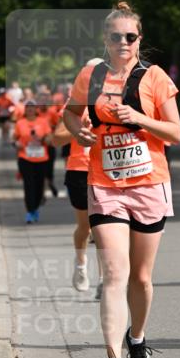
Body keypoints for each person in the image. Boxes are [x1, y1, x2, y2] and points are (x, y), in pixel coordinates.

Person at [63, 1, 180, 358]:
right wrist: (78, 132)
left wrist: (140, 119)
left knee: (142, 278)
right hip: (106, 185)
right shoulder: (91, 75)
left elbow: (175, 133)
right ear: (106, 40)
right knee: (115, 274)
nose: (123, 43)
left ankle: (137, 338)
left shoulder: (155, 77)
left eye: (130, 37)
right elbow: (70, 113)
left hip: (149, 185)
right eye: (116, 37)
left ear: (139, 39)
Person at [51, 111, 103, 294]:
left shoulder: (114, 101)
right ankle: (81, 265)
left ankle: (105, 280)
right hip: (79, 171)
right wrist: (80, 128)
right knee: (85, 227)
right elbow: (56, 139)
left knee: (103, 229)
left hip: (107, 169)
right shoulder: (73, 107)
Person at [13, 99, 52, 223]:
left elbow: (50, 138)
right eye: (28, 107)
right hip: (25, 158)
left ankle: (35, 208)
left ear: (36, 109)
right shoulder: (20, 123)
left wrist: (44, 139)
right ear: (25, 109)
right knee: (28, 185)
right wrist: (16, 144)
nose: (30, 109)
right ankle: (30, 212)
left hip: (41, 158)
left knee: (39, 186)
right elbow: (14, 139)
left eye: (32, 107)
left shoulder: (43, 122)